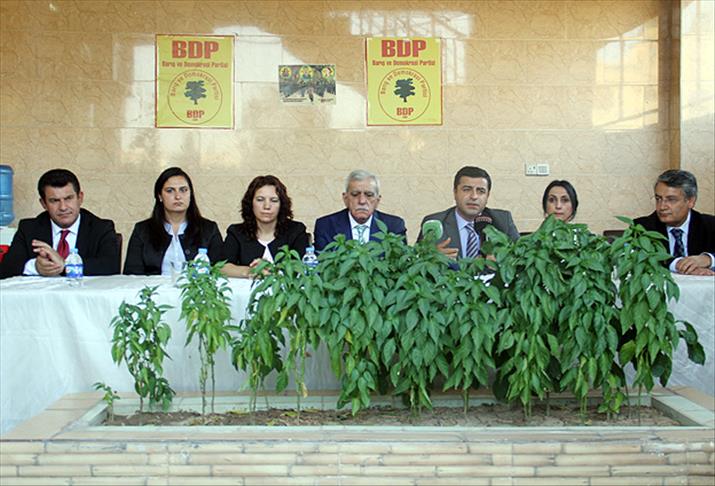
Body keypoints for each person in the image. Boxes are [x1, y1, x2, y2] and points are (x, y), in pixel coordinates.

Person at [0, 168, 119, 278]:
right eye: (54, 201)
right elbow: (6, 269)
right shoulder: (29, 228)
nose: (63, 207)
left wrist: (65, 265)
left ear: (80, 198)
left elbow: (111, 267)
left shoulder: (101, 228)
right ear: (43, 204)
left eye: (68, 198)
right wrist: (35, 267)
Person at [123, 167, 223, 275]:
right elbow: (131, 274)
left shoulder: (209, 229)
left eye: (183, 190)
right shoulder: (142, 230)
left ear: (191, 194)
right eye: (170, 191)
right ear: (160, 196)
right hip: (153, 286)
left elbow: (219, 271)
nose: (178, 196)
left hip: (195, 286)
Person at [418, 166, 519, 259]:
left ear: (488, 195)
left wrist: (502, 261)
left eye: (481, 191)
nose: (474, 196)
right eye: (466, 189)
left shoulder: (503, 221)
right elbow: (416, 261)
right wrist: (431, 257)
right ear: (455, 192)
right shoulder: (435, 223)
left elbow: (520, 257)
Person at [222, 175, 309, 278]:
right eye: (260, 200)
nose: (267, 206)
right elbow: (223, 267)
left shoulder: (296, 230)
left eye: (274, 200)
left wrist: (272, 269)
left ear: (281, 205)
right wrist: (250, 271)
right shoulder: (236, 232)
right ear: (251, 203)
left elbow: (301, 267)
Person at [634, 169, 714, 276]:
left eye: (671, 200)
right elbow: (640, 258)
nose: (662, 207)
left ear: (690, 201)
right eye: (658, 199)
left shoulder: (710, 225)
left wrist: (709, 259)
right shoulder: (641, 227)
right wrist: (678, 265)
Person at [314, 170, 406, 252]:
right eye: (355, 194)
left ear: (377, 200)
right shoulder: (326, 226)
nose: (362, 201)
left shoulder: (394, 226)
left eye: (369, 195)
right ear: (345, 198)